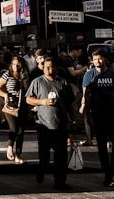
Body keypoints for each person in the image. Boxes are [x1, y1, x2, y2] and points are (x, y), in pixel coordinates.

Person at [25, 56, 74, 191]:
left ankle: (60, 182)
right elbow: (29, 99)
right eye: (46, 67)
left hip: (61, 125)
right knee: (44, 157)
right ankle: (41, 171)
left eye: (51, 67)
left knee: (61, 157)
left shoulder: (63, 83)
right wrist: (42, 102)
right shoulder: (37, 82)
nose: (49, 69)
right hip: (44, 125)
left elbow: (70, 103)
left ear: (56, 68)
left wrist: (72, 120)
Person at [83, 49, 114, 187]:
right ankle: (108, 174)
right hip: (98, 114)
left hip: (113, 113)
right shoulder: (89, 75)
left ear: (105, 59)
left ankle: (112, 170)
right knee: (101, 146)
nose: (97, 61)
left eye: (100, 59)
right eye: (95, 59)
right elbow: (86, 95)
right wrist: (87, 114)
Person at [0, 55, 30, 164]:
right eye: (14, 64)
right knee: (14, 129)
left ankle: (18, 155)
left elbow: (28, 90)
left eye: (18, 65)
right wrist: (5, 95)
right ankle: (9, 147)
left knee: (21, 131)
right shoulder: (7, 75)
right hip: (10, 105)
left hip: (23, 105)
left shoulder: (25, 76)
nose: (15, 67)